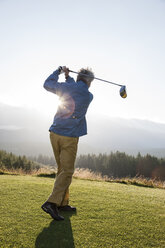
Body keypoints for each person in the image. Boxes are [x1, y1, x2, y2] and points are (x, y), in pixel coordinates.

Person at [41, 66, 94, 221]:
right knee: (67, 171)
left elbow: (47, 84)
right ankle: (51, 203)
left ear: (78, 78)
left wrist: (60, 72)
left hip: (54, 134)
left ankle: (62, 203)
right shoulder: (89, 96)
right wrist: (68, 77)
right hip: (69, 138)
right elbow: (78, 89)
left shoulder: (67, 88)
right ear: (89, 82)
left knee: (62, 170)